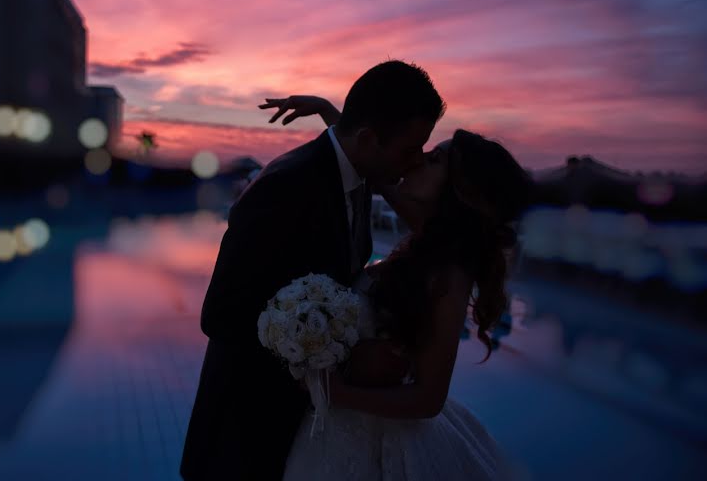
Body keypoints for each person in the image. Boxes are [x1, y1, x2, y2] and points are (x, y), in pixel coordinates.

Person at [180, 61, 446, 481]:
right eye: (409, 150)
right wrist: (328, 347)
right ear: (368, 139)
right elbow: (221, 313)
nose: (414, 164)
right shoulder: (285, 186)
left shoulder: (358, 176)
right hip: (246, 430)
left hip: (304, 431)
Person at [262, 95, 531, 480]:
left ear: (460, 190)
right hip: (337, 433)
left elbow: (429, 399)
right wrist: (332, 116)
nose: (418, 159)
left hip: (377, 443)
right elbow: (370, 159)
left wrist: (334, 393)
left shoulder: (450, 274)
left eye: (435, 158)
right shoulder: (430, 234)